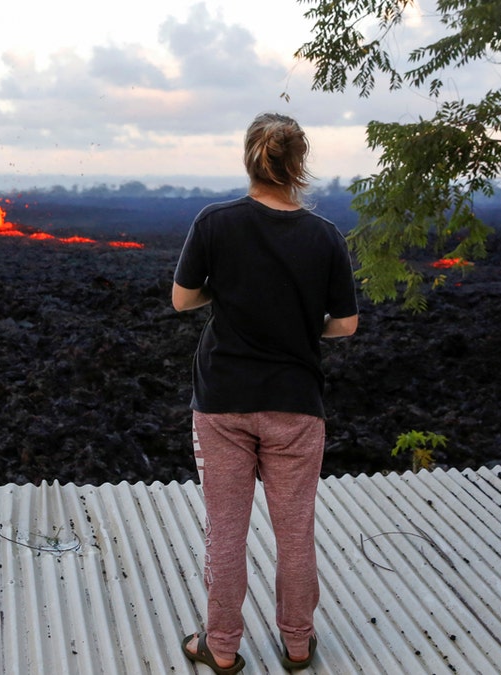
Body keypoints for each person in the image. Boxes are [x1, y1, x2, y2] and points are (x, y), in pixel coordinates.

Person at [173, 112, 359, 673]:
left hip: (223, 402)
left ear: (249, 158)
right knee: (295, 532)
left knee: (225, 534)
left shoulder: (214, 222)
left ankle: (222, 649)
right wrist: (304, 326)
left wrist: (226, 293)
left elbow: (183, 300)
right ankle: (297, 646)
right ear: (299, 164)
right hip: (296, 405)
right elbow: (346, 325)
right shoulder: (325, 236)